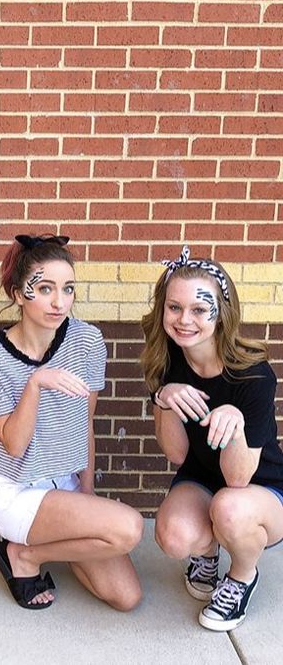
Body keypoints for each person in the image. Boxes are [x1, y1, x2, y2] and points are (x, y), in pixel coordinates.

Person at [0, 235, 143, 611]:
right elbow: (13, 445)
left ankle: (34, 548)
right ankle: (25, 557)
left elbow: (86, 424)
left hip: (63, 485)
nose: (59, 301)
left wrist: (86, 492)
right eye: (45, 288)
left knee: (126, 597)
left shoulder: (87, 340)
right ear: (19, 294)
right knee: (128, 528)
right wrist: (36, 383)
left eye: (67, 289)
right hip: (14, 490)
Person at [140, 245, 283, 631]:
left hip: (261, 489)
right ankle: (207, 553)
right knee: (172, 536)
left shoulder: (253, 375)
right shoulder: (165, 361)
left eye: (199, 310)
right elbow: (176, 453)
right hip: (202, 477)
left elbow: (237, 480)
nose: (184, 320)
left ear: (222, 314)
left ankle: (241, 577)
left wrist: (236, 420)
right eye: (174, 307)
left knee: (230, 510)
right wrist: (163, 399)